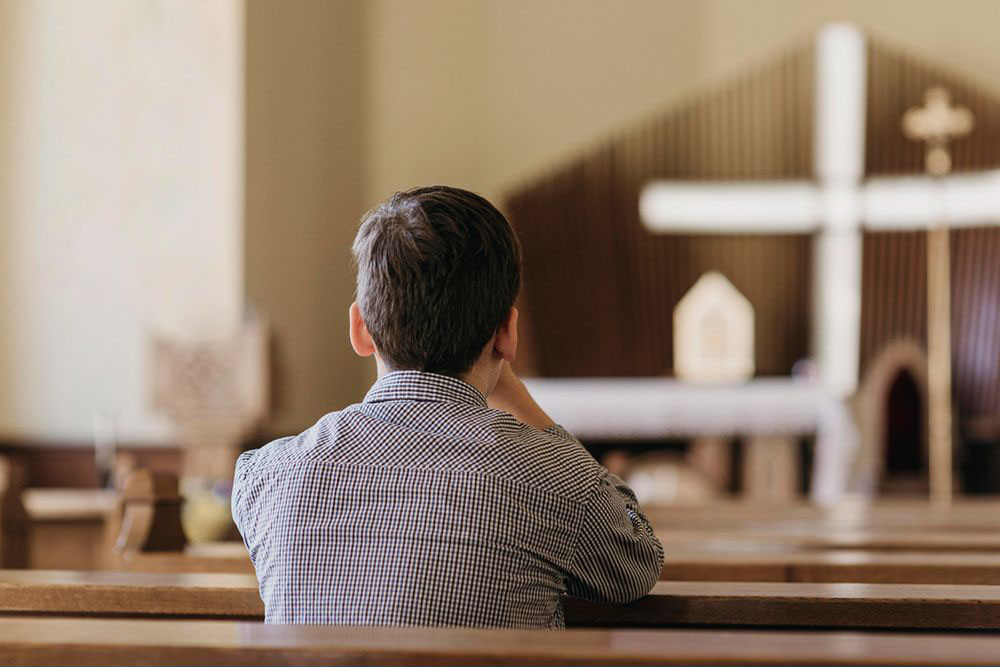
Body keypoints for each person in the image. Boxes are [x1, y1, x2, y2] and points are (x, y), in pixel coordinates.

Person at [232, 185, 663, 627]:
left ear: (360, 329)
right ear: (507, 334)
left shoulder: (267, 475)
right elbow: (636, 565)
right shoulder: (554, 479)